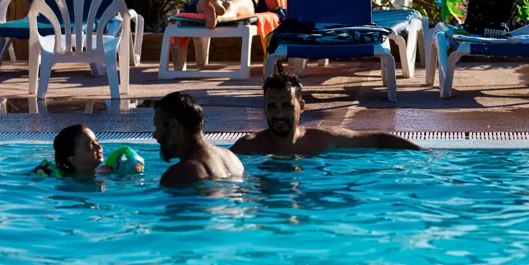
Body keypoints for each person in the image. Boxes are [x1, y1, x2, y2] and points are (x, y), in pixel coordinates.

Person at [231, 73, 422, 156]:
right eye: (272, 106)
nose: (279, 114)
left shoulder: (322, 140)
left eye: (286, 106)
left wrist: (425, 154)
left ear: (302, 106)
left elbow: (378, 141)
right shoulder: (249, 146)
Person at [154, 91, 244, 186]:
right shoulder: (231, 158)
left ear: (173, 126)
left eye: (157, 127)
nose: (155, 135)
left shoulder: (178, 175)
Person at [33, 124, 145, 178]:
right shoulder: (59, 178)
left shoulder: (107, 171)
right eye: (90, 145)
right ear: (73, 159)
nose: (98, 146)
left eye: (97, 141)